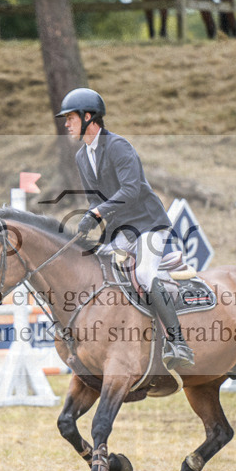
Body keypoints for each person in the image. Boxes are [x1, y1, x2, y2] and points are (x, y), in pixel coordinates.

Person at [55, 87, 194, 371]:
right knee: (97, 265)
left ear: (89, 117)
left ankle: (177, 341)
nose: (66, 123)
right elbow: (96, 200)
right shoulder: (82, 156)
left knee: (144, 273)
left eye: (70, 117)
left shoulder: (118, 146)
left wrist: (96, 212)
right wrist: (94, 224)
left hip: (149, 224)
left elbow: (131, 190)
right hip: (123, 230)